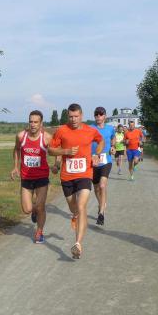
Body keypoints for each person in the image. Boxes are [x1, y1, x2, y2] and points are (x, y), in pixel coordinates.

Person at [48, 103, 103, 259]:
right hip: (67, 176)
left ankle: (78, 243)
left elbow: (100, 141)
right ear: (68, 116)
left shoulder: (90, 130)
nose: (73, 119)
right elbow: (50, 150)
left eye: (76, 116)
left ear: (81, 115)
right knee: (74, 209)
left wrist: (96, 154)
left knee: (81, 205)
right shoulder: (61, 131)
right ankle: (75, 216)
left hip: (85, 174)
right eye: (71, 116)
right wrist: (65, 151)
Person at [10, 110, 59, 243]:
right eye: (31, 121)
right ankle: (34, 211)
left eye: (36, 122)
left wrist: (57, 165)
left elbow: (57, 151)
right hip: (26, 177)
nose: (32, 124)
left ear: (41, 123)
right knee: (27, 209)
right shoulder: (21, 136)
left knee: (40, 206)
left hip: (42, 177)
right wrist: (15, 167)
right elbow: (16, 149)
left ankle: (39, 232)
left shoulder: (47, 137)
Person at [90, 107, 117, 225]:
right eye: (96, 114)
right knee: (96, 188)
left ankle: (101, 213)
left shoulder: (110, 128)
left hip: (106, 160)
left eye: (100, 114)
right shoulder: (90, 128)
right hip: (93, 161)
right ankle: (101, 203)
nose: (98, 116)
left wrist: (113, 146)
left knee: (102, 185)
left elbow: (113, 137)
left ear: (105, 116)